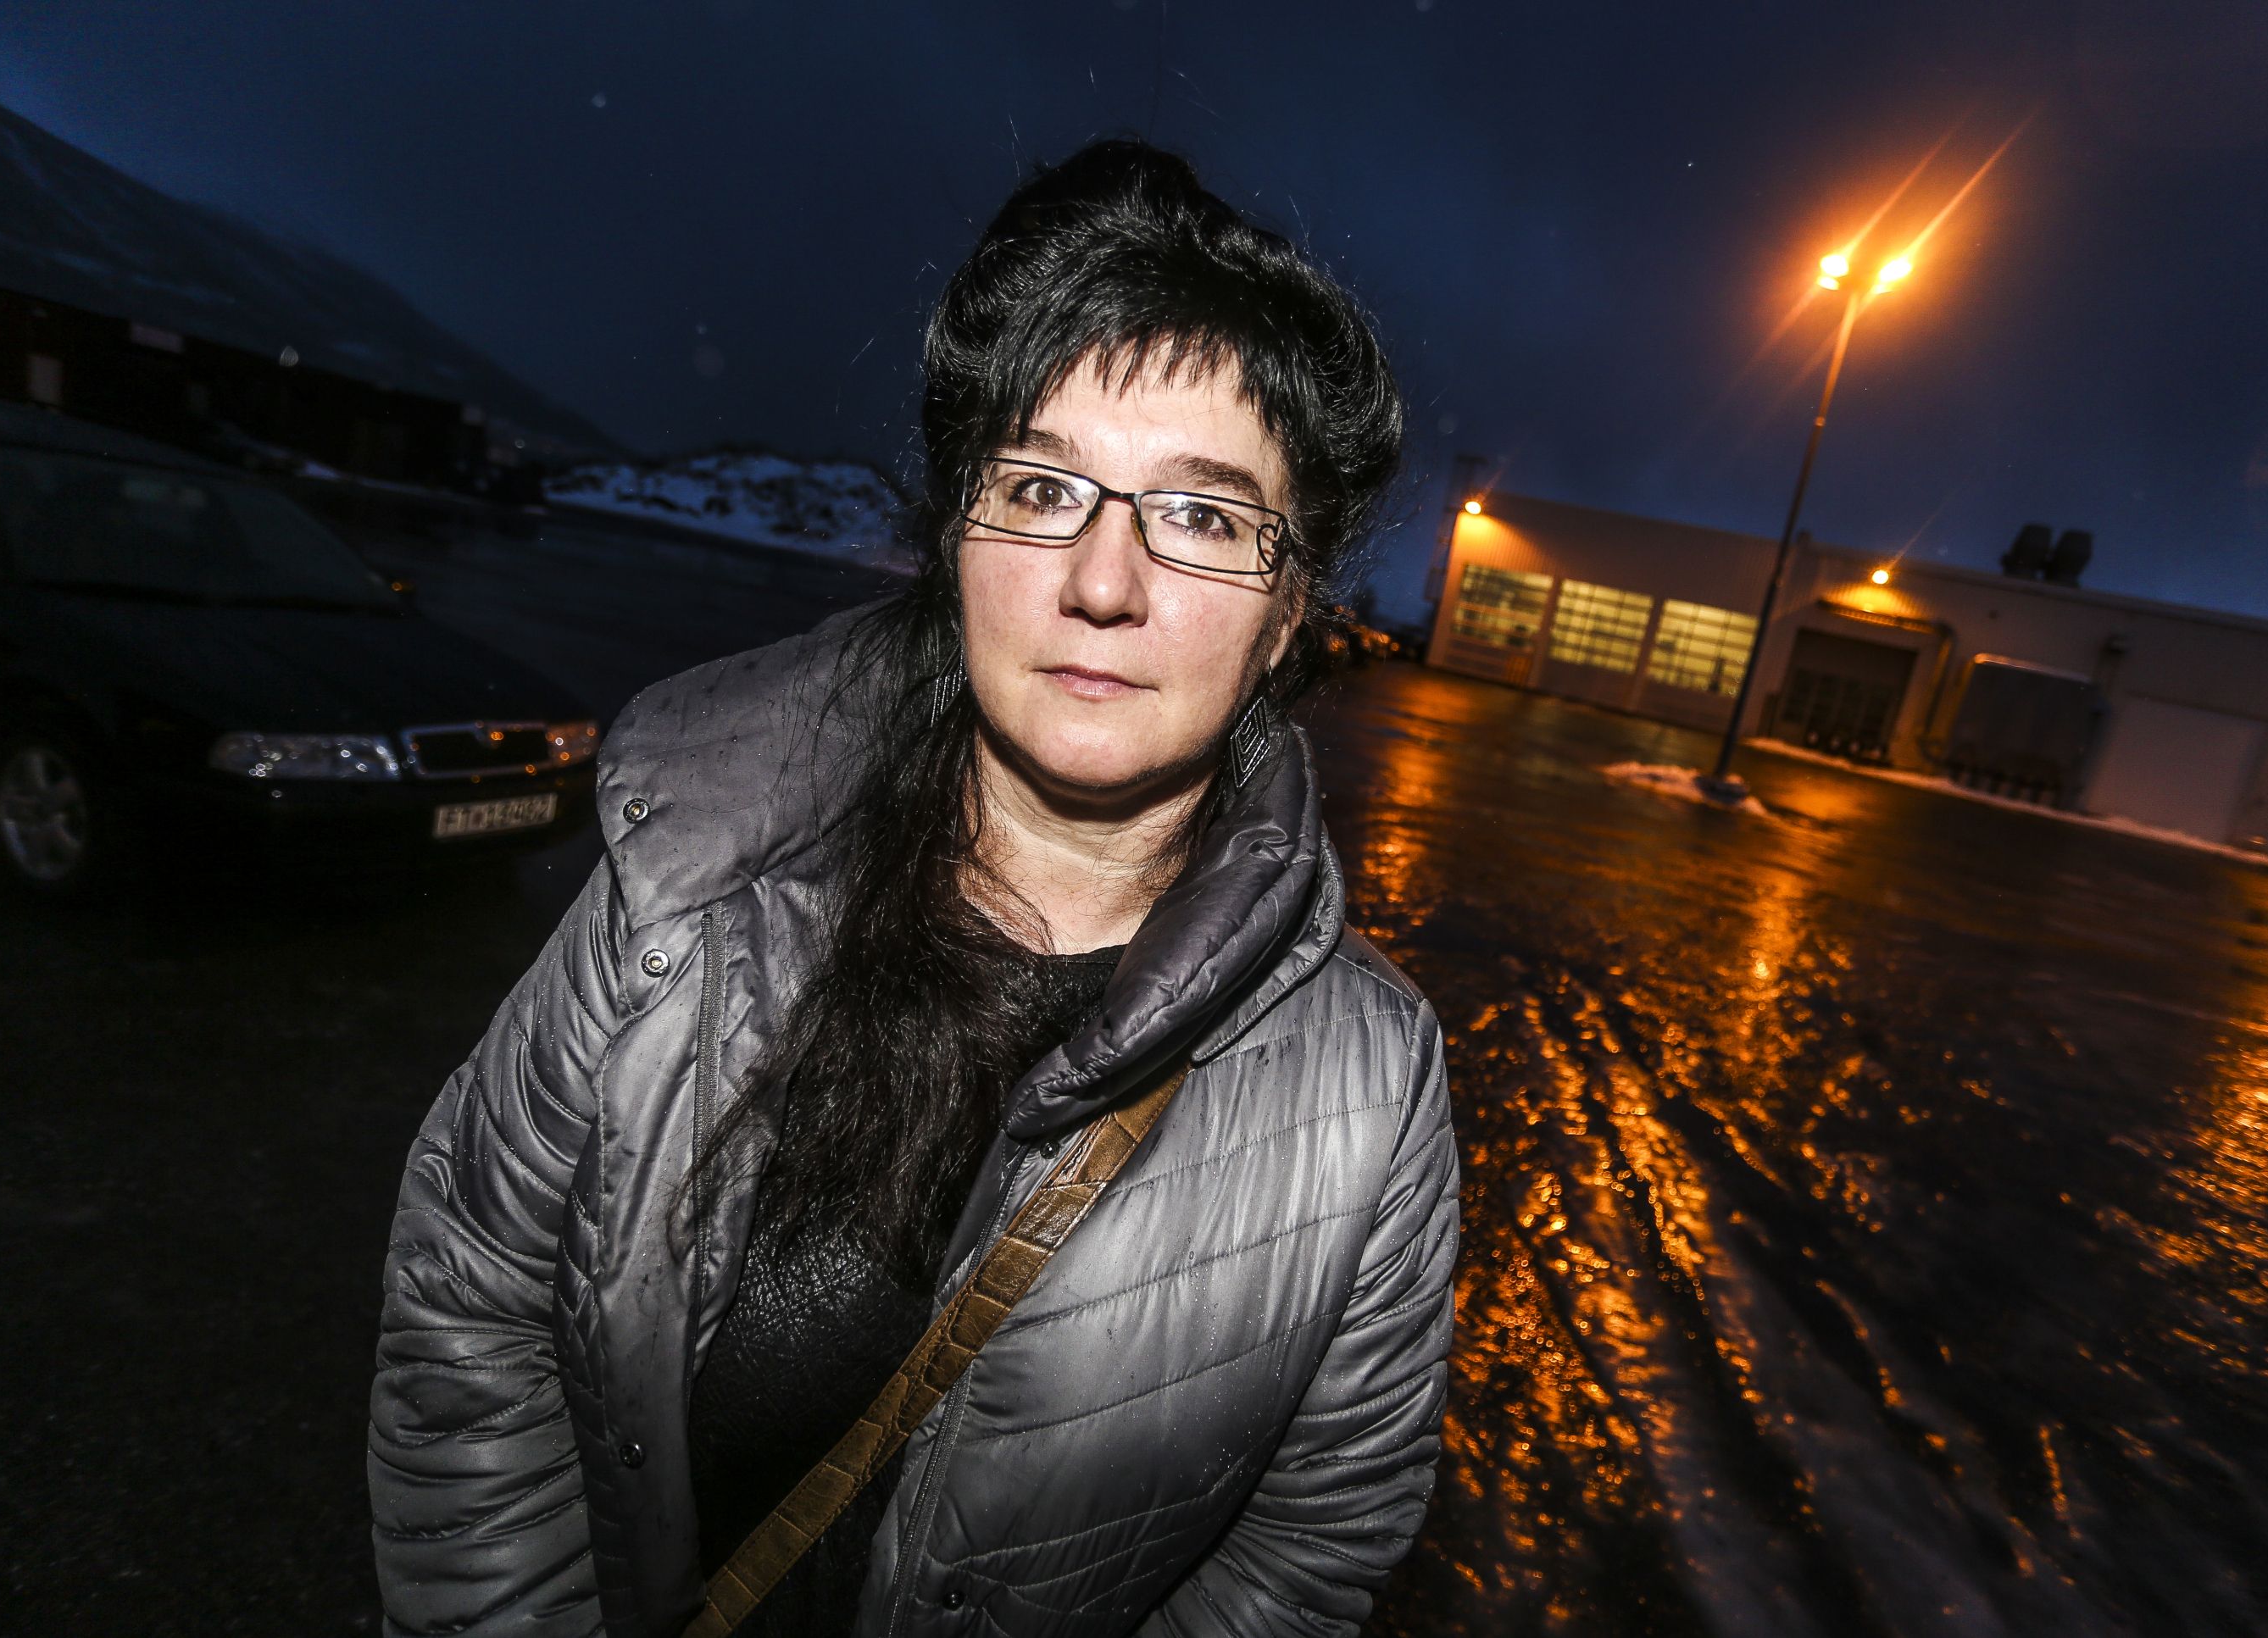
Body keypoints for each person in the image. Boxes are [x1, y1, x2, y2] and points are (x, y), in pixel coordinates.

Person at [368, 139, 1458, 1638]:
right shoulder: (692, 867)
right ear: (958, 541)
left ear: (1287, 614)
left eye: (1204, 516)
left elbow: (1310, 1546)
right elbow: (472, 1304)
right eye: (1043, 487)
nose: (1104, 581)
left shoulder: (1371, 1090)